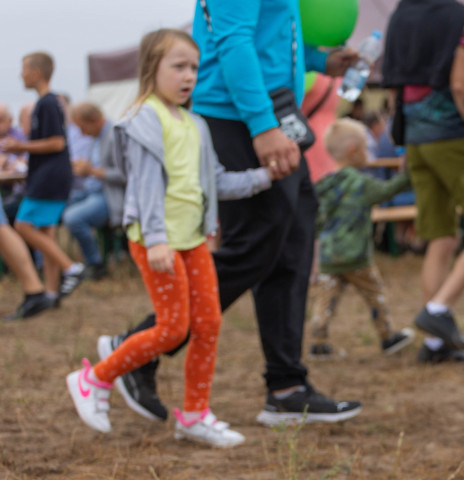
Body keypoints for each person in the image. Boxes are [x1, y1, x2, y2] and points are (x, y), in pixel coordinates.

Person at [98, 0, 364, 426]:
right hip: (238, 114)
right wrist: (262, 125)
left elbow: (266, 33)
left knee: (291, 245)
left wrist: (319, 60)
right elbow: (233, 39)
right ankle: (135, 348)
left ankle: (286, 387)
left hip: (272, 110)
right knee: (256, 246)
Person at [67, 29, 272, 447]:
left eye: (194, 67)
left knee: (208, 323)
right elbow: (142, 186)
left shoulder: (194, 123)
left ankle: (194, 415)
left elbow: (214, 181)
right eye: (178, 66)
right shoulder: (143, 119)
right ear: (151, 69)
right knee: (172, 328)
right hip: (156, 241)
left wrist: (265, 177)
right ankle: (93, 378)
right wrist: (157, 238)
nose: (189, 76)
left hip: (192, 240)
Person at [382, 0, 464, 364]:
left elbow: (394, 87)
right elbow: (460, 83)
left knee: (440, 238)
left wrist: (404, 139)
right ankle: (437, 310)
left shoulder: (400, 15)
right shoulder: (455, 15)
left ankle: (437, 345)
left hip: (417, 141)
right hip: (455, 137)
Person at [308, 118, 415, 358]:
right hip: (356, 257)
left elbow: (316, 221)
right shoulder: (360, 184)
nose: (370, 153)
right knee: (375, 295)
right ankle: (387, 337)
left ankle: (318, 343)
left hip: (329, 256)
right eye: (367, 148)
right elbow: (387, 191)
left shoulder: (325, 185)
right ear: (353, 151)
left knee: (325, 301)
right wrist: (408, 172)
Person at [0, 52, 86, 320]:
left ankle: (71, 267)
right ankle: (49, 293)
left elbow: (56, 143)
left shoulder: (47, 103)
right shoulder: (48, 102)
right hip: (52, 176)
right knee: (45, 233)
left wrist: (19, 146)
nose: (20, 75)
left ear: (36, 73)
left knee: (23, 226)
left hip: (48, 177)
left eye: (24, 69)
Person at [65, 102, 126, 280]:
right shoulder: (98, 137)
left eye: (83, 128)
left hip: (110, 196)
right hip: (92, 191)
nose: (82, 134)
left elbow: (125, 175)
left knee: (73, 218)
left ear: (94, 120)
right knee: (58, 205)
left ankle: (95, 263)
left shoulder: (114, 136)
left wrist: (91, 171)